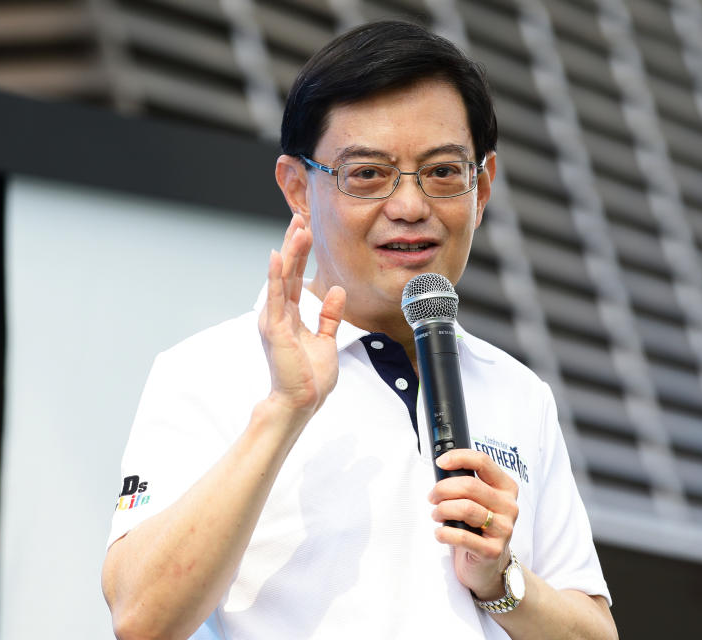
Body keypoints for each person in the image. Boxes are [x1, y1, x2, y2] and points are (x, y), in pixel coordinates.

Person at [102, 20, 616, 640]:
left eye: (443, 172)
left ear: (482, 189)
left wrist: (503, 580)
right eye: (367, 174)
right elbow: (141, 619)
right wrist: (285, 409)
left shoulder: (518, 392)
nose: (410, 206)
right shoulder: (207, 370)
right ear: (297, 187)